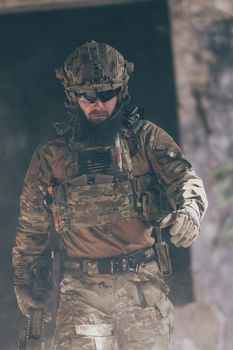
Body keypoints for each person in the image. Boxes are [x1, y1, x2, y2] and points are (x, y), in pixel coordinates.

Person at [12, 40, 208, 350]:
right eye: (88, 96)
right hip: (81, 292)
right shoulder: (53, 154)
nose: (98, 104)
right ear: (72, 95)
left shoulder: (145, 139)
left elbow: (186, 180)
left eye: (107, 94)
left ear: (121, 91)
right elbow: (32, 220)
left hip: (141, 286)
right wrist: (23, 279)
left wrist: (189, 212)